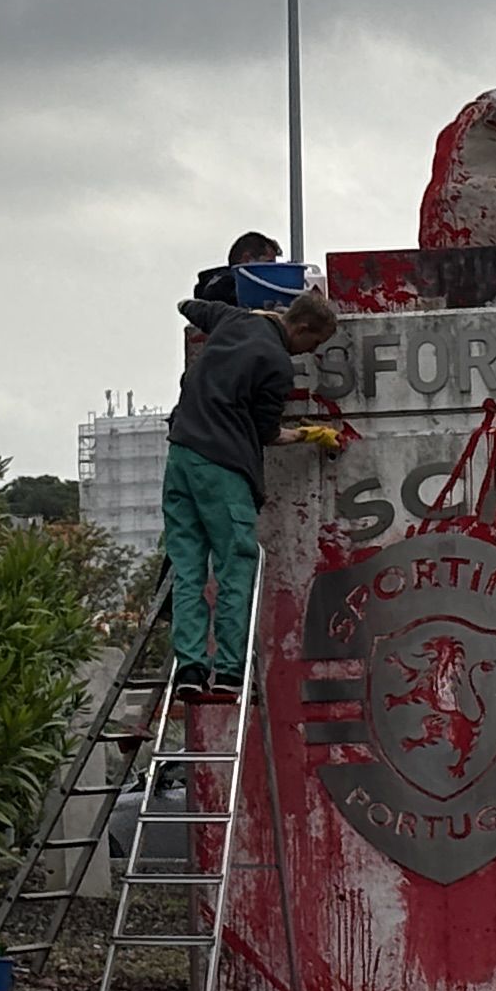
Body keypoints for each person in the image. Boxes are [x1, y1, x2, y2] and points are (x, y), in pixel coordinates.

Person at [162, 281, 339, 700]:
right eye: (315, 343)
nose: (310, 352)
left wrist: (242, 312)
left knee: (187, 568)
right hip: (223, 468)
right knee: (234, 569)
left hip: (181, 458)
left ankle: (188, 669)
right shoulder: (276, 363)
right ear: (303, 329)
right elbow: (266, 433)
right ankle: (228, 673)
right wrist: (310, 435)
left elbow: (188, 305)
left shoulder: (230, 319)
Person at [182, 231, 282, 375]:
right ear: (247, 259)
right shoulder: (223, 286)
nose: (272, 271)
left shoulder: (216, 283)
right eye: (268, 263)